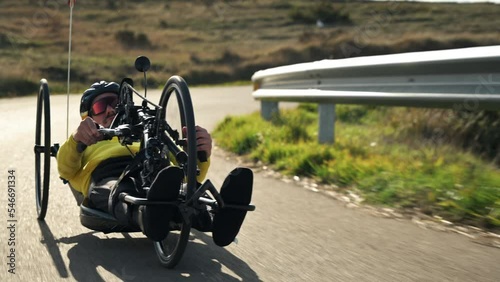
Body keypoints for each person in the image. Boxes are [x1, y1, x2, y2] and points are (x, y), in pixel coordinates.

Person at [57, 81, 252, 246]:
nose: (110, 109)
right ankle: (147, 215)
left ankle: (218, 217)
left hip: (156, 168)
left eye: (115, 103)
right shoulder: (82, 143)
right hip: (108, 174)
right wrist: (77, 140)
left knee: (183, 188)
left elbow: (188, 175)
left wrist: (200, 153)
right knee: (117, 191)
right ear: (87, 117)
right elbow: (65, 170)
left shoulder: (146, 133)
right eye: (101, 106)